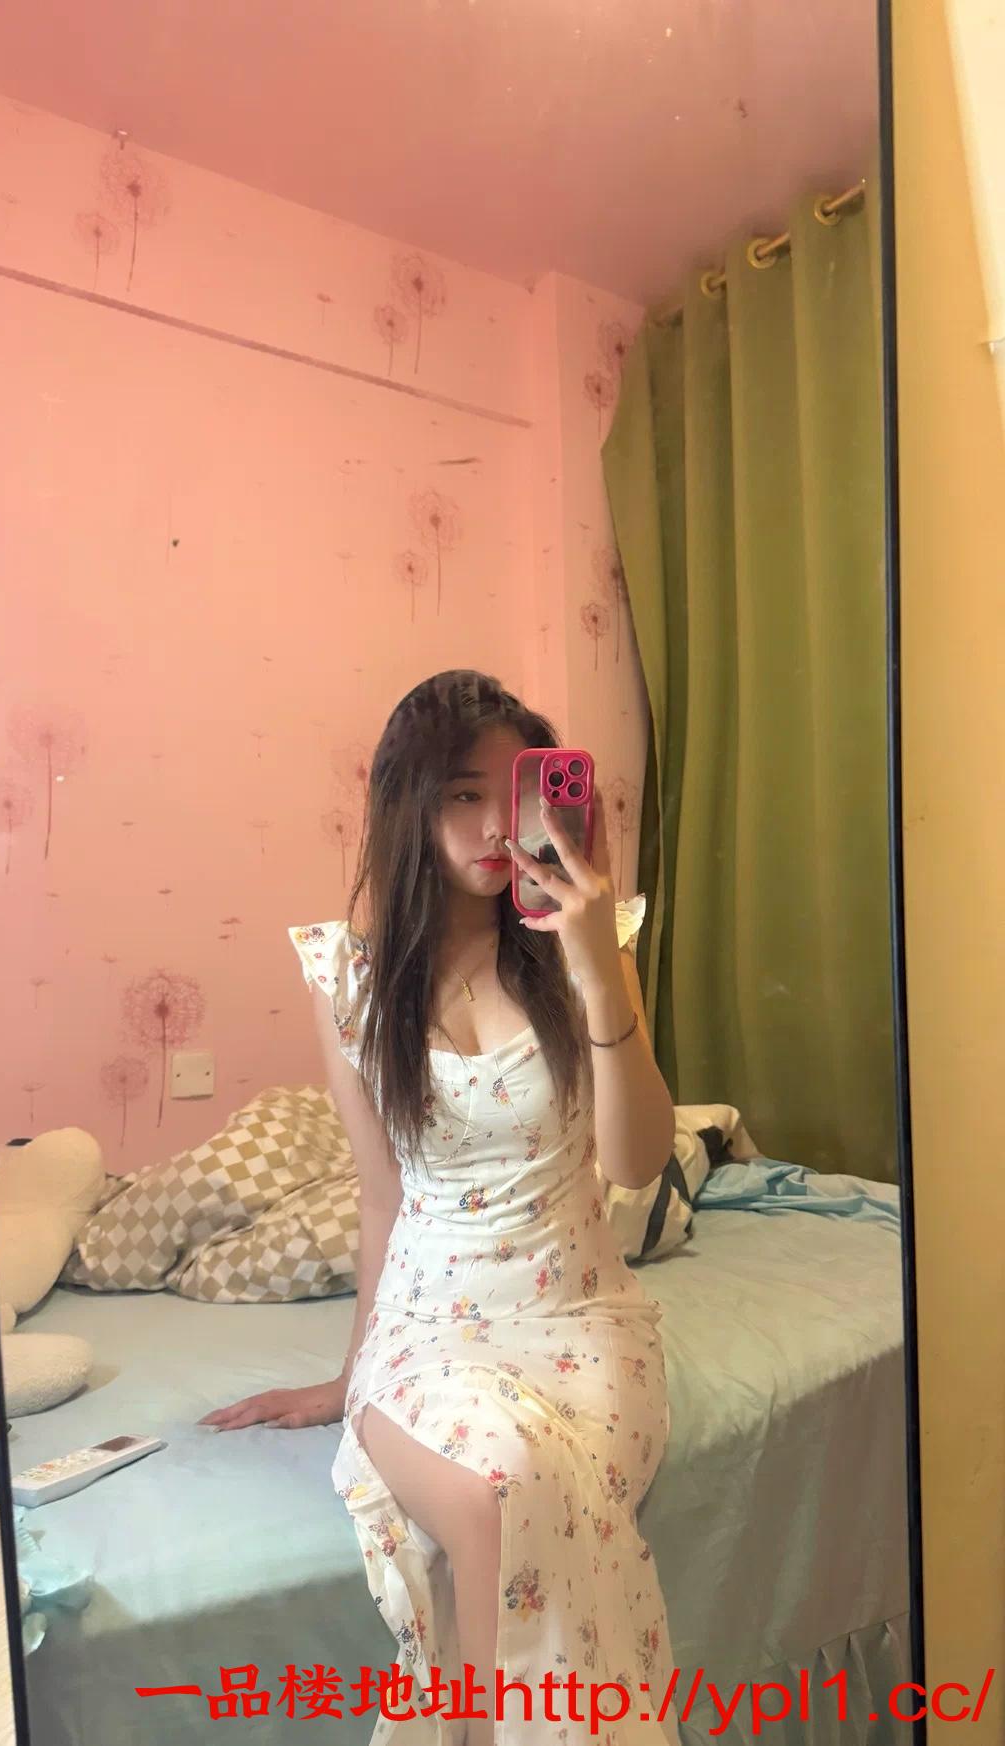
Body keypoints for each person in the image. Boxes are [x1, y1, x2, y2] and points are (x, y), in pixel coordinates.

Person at [201, 671, 680, 1746]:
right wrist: (347, 1377)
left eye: (515, 795)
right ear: (408, 806)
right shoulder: (352, 981)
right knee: (501, 1481)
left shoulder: (590, 941)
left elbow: (638, 1161)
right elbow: (382, 1197)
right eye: (462, 795)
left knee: (529, 1484)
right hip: (425, 1332)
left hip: (580, 1327)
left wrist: (596, 971)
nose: (494, 827)